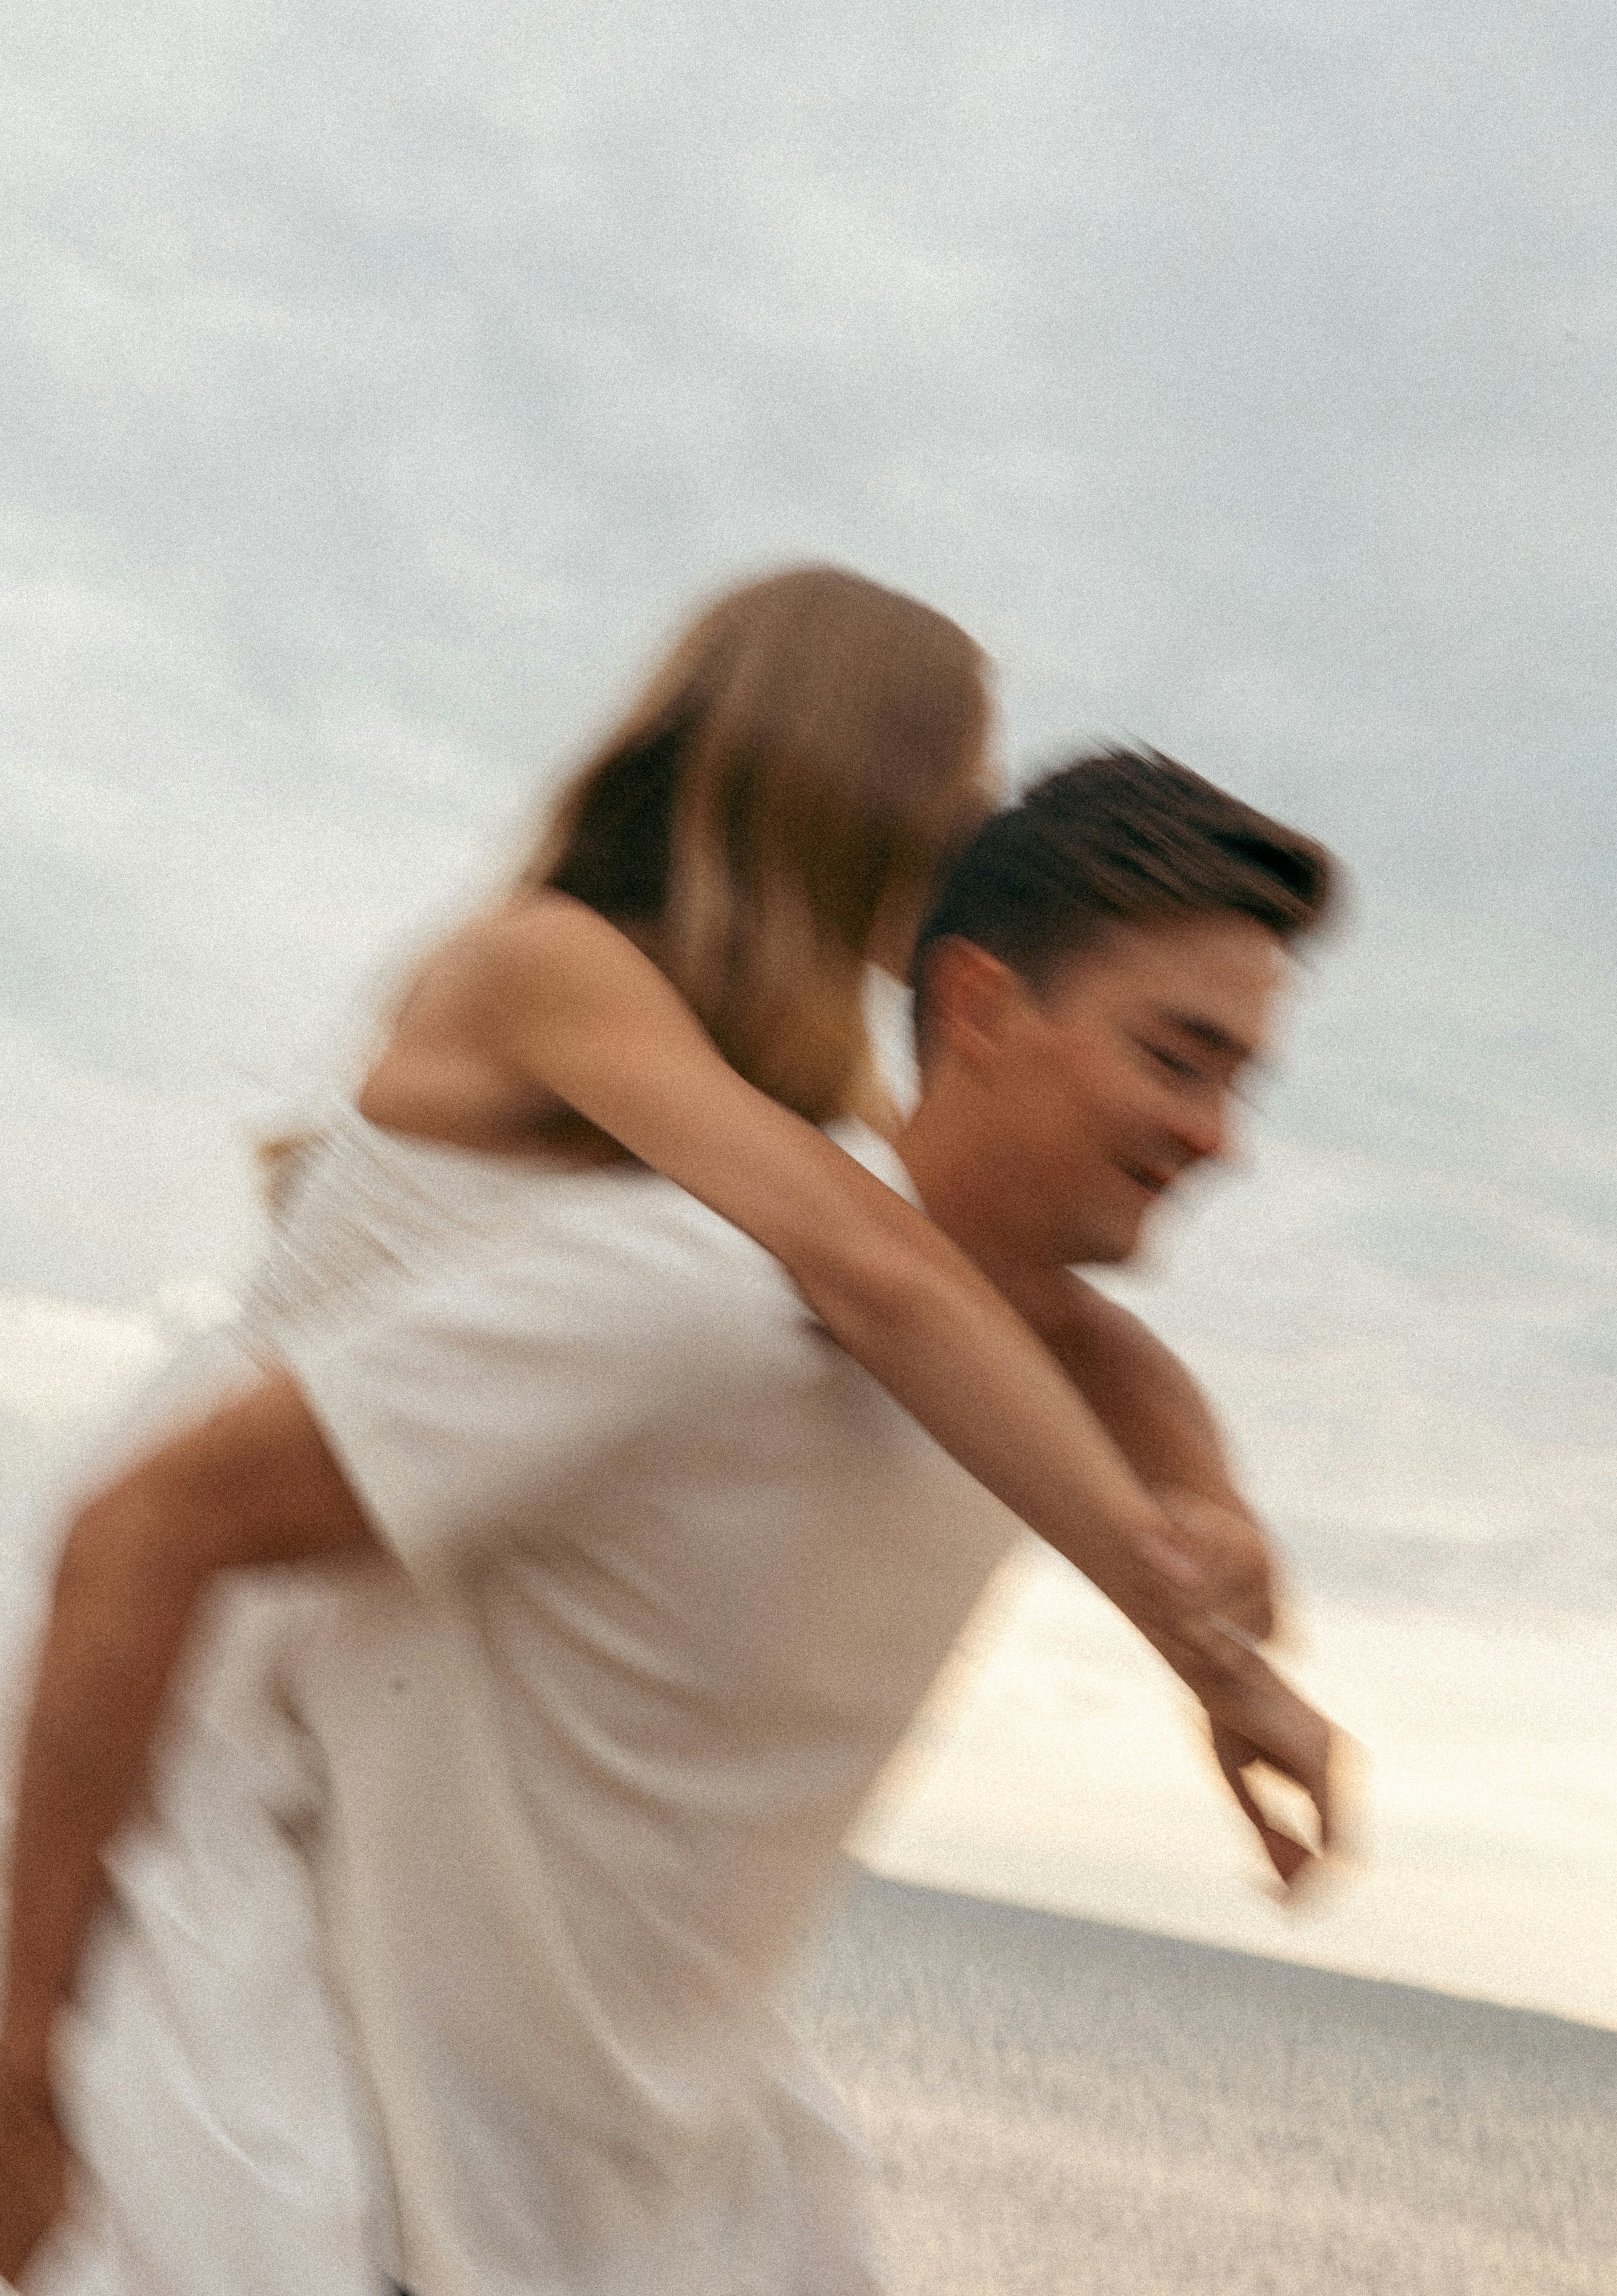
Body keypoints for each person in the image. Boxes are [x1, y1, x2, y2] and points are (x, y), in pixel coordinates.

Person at [2, 742, 1339, 2295]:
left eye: (1240, 1077)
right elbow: (140, 1528)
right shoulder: (689, 1295)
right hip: (370, 2220)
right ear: (976, 1009)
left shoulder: (1037, 1394)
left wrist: (1208, 1524)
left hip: (678, 2231)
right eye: (1176, 1059)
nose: (1218, 1135)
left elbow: (1084, 1355)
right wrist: (27, 2072)